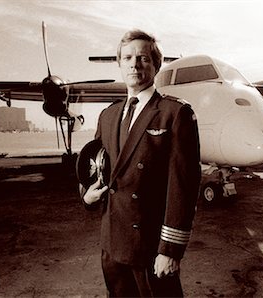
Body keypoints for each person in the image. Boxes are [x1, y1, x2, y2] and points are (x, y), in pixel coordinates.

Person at [80, 29, 201, 297]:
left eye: (143, 58)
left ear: (156, 65)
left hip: (150, 247)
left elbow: (183, 186)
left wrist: (169, 250)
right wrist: (87, 196)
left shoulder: (175, 113)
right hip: (112, 244)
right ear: (120, 64)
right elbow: (96, 165)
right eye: (127, 58)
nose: (134, 64)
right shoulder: (108, 116)